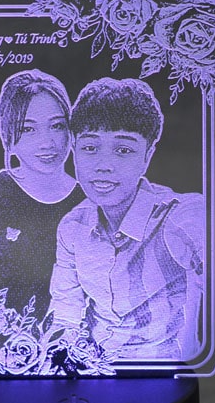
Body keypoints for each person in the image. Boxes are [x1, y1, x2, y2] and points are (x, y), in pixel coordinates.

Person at [48, 77, 204, 360]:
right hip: (94, 368)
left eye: (123, 150)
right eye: (90, 148)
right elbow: (66, 314)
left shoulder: (178, 216)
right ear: (73, 149)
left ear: (147, 156)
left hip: (160, 370)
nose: (103, 166)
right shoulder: (72, 227)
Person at [0, 69, 85, 322]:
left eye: (57, 126)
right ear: (7, 136)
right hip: (0, 324)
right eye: (28, 129)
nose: (47, 142)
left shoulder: (88, 199)